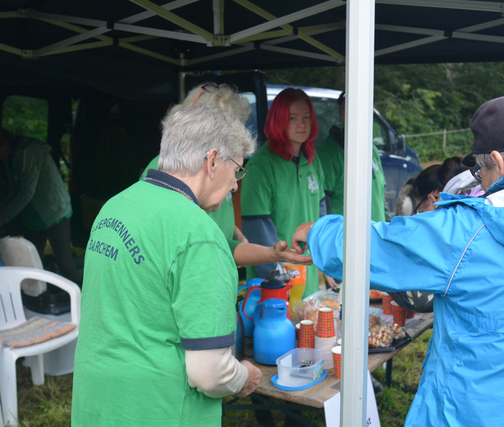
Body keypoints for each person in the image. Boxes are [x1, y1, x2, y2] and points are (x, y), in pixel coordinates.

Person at [292, 94, 504, 426]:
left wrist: (315, 232)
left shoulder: (463, 233)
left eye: (480, 173)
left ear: (498, 163)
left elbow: (365, 248)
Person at [71, 105, 263, 426]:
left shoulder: (116, 206)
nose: (234, 186)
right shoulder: (200, 236)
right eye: (237, 171)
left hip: (98, 399)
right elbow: (210, 373)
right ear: (212, 160)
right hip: (158, 408)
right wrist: (244, 377)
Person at [140, 83, 310, 269]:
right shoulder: (171, 172)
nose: (235, 185)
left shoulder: (218, 169)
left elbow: (217, 241)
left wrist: (234, 232)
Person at [241, 88, 327, 297]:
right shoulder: (261, 165)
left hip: (309, 280)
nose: (302, 124)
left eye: (306, 117)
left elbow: (322, 213)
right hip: (274, 284)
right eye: (293, 118)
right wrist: (277, 276)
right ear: (279, 121)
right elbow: (257, 228)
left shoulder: (312, 161)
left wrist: (326, 258)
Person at [0, 128, 83, 284]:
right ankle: (37, 297)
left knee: (65, 262)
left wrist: (3, 218)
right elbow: (16, 191)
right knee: (32, 264)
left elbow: (26, 192)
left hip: (55, 211)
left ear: (4, 145)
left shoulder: (28, 153)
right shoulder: (10, 158)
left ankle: (80, 296)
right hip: (34, 215)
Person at [316, 91, 387, 221]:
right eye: (364, 111)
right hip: (344, 239)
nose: (370, 116)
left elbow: (381, 196)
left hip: (376, 236)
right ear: (344, 117)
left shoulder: (372, 150)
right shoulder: (328, 154)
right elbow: (324, 205)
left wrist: (389, 229)